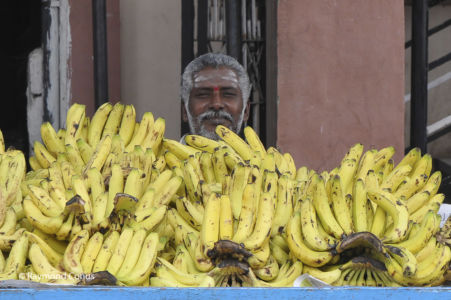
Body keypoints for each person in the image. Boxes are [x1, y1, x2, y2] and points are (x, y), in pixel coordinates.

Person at [180, 53, 251, 142]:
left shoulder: (266, 156)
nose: (216, 104)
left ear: (246, 111)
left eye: (228, 94)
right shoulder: (159, 156)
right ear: (185, 111)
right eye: (203, 95)